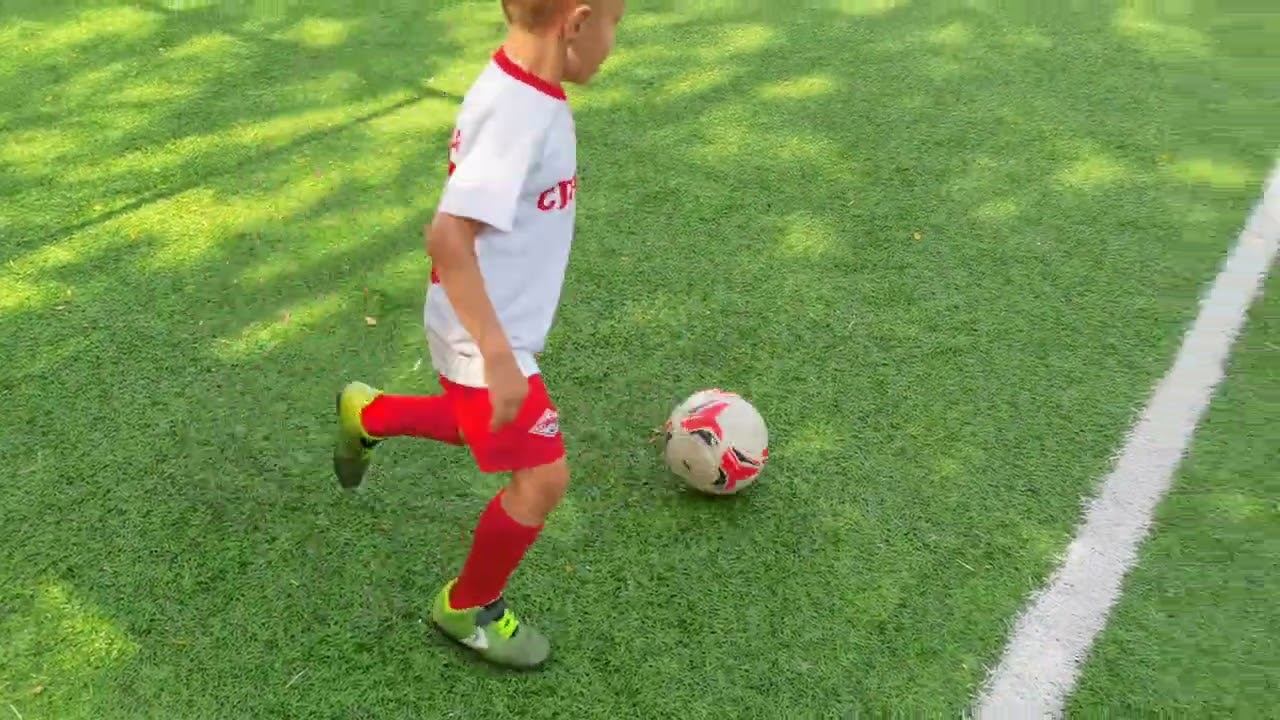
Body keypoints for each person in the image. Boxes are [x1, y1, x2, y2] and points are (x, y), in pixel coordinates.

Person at [331, 0, 625, 669]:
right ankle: (467, 606)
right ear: (577, 22)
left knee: (480, 427)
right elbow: (447, 235)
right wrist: (496, 354)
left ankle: (369, 414)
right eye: (616, 24)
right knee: (542, 480)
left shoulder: (525, 87)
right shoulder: (520, 115)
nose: (613, 42)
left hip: (481, 325)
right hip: (483, 337)